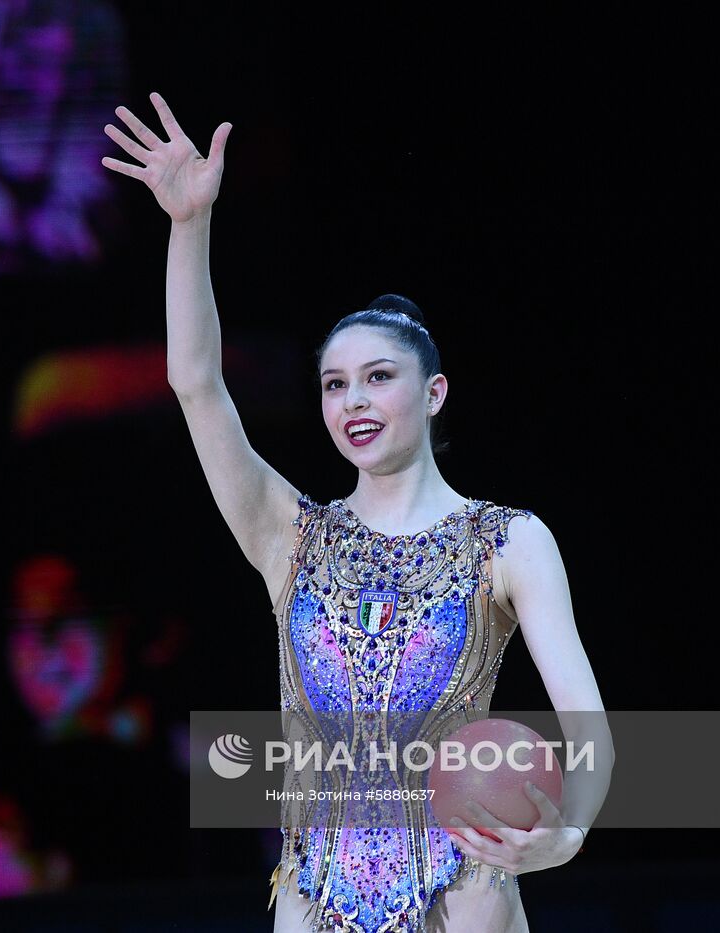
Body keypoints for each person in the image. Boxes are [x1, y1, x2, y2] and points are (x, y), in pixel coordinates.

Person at [101, 92, 614, 933]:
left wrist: (565, 834)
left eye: (379, 376)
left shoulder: (509, 540)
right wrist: (188, 225)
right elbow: (195, 384)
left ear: (434, 392)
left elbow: (587, 729)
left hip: (463, 898)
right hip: (314, 902)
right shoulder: (290, 535)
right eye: (336, 383)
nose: (354, 399)